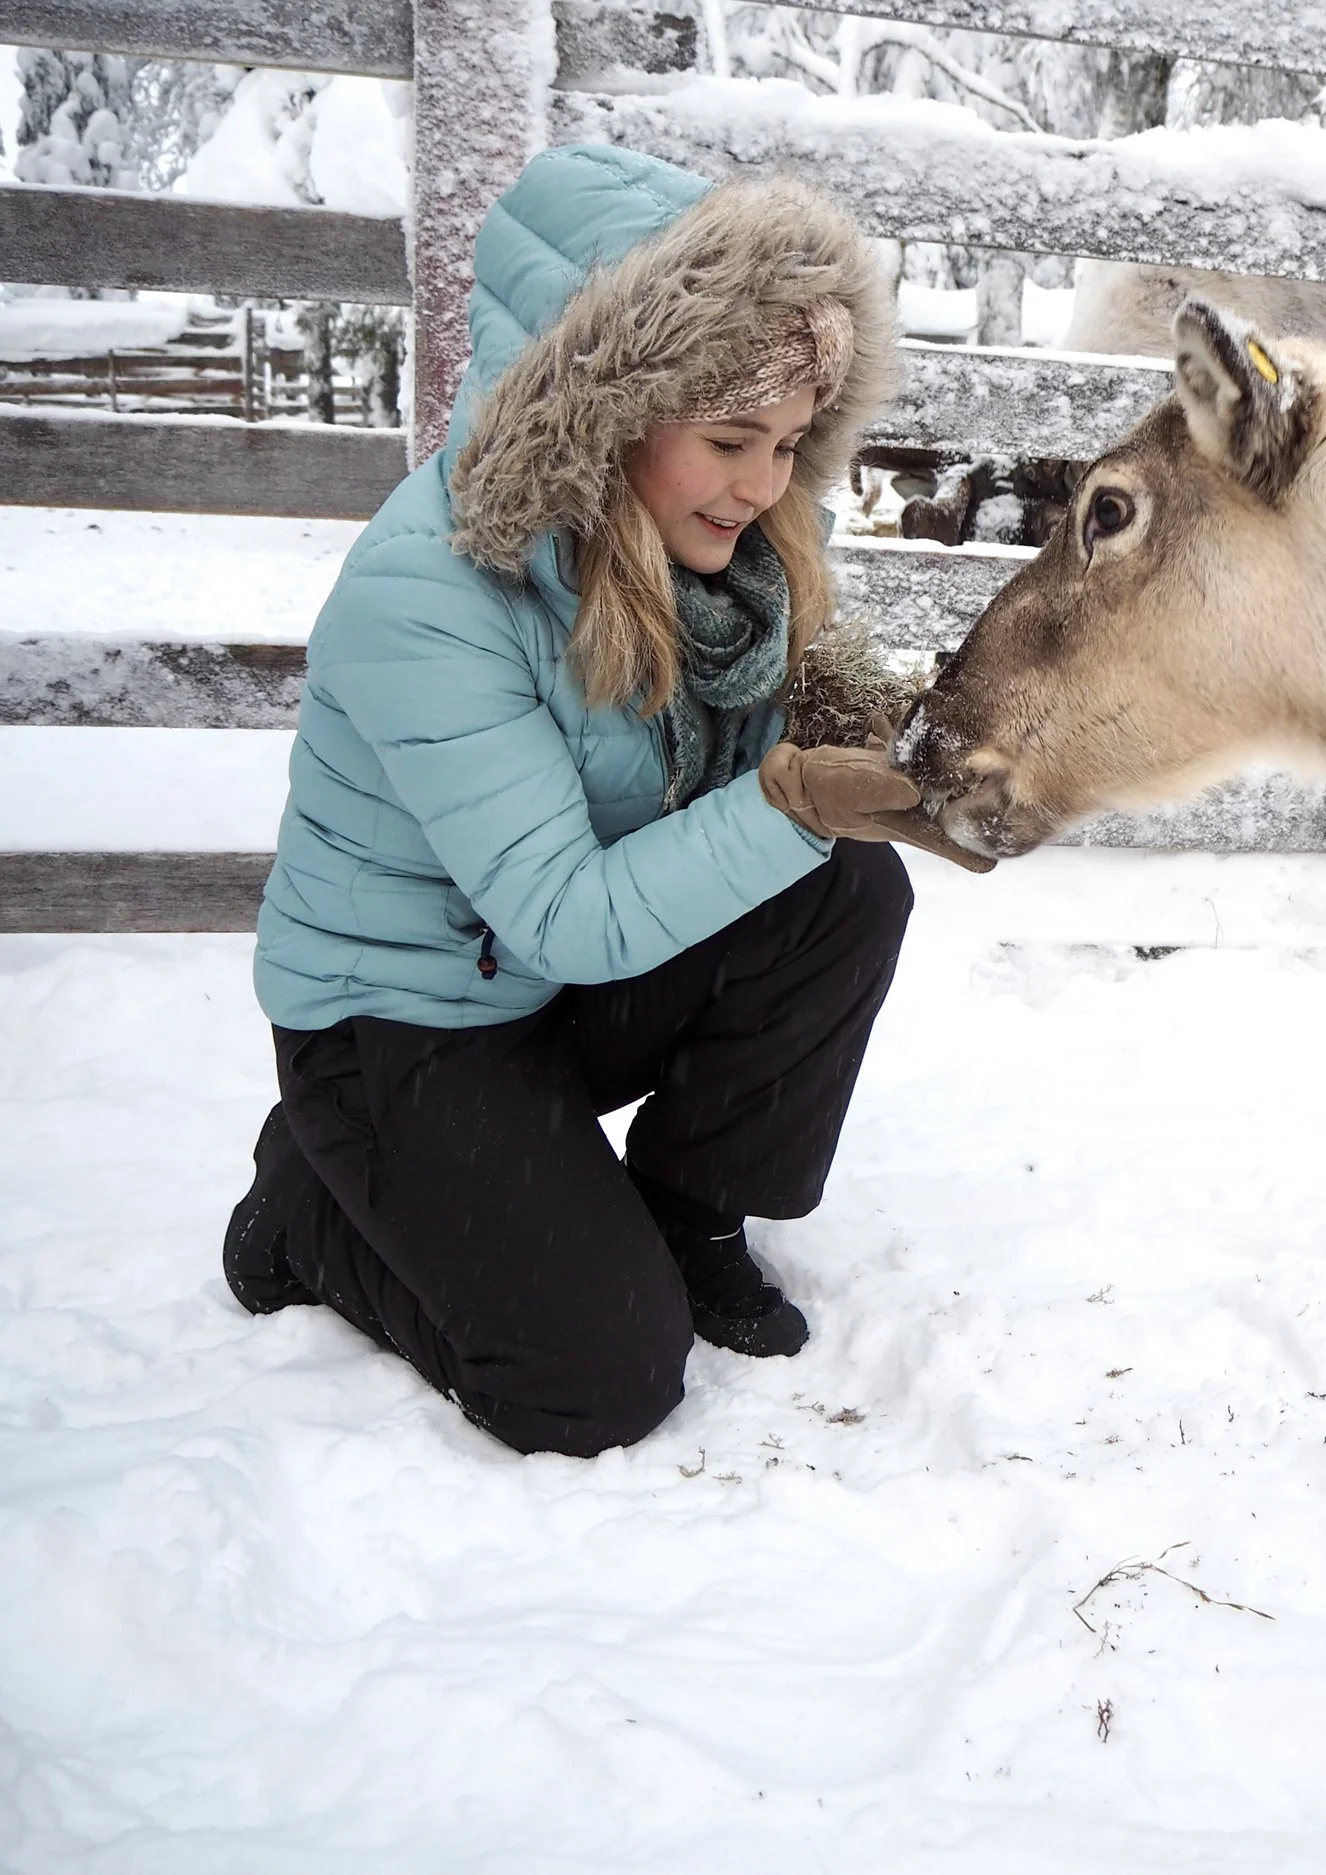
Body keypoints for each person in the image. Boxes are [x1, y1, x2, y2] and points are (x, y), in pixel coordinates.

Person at [221, 144, 980, 1458]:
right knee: (591, 1383)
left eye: (789, 443)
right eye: (729, 440)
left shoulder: (717, 564)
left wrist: (874, 744)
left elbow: (729, 819)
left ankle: (684, 1214)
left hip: (544, 992)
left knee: (845, 887)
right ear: (604, 408)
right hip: (403, 1022)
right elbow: (569, 914)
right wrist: (794, 802)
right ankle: (307, 1207)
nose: (764, 485)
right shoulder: (430, 595)